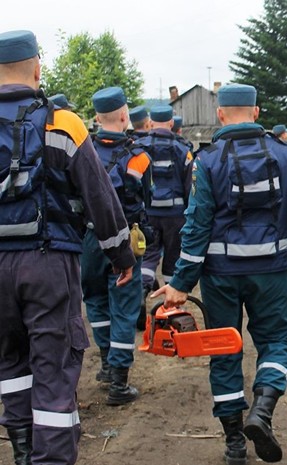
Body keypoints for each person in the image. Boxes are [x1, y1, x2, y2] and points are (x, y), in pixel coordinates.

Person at [151, 84, 287, 465]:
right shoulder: (285, 154)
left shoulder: (207, 160)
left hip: (219, 275)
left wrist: (181, 284)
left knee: (224, 350)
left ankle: (234, 443)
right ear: (256, 112)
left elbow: (196, 225)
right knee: (275, 343)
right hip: (269, 271)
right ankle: (262, 411)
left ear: (220, 115)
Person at [0, 30, 135, 465]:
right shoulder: (62, 122)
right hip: (48, 261)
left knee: (10, 364)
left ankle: (22, 453)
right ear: (37, 69)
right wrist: (121, 256)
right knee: (54, 368)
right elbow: (99, 197)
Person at [82, 86, 152, 406]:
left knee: (95, 300)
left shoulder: (82, 151)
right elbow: (143, 201)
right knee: (124, 306)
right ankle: (119, 384)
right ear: (125, 116)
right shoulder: (138, 157)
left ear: (97, 117)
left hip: (88, 238)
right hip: (124, 237)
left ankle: (107, 364)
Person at [137, 105, 193, 299]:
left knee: (148, 255)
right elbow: (189, 187)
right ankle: (173, 304)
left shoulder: (138, 147)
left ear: (150, 122)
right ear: (171, 123)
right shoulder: (183, 150)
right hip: (175, 216)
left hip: (148, 214)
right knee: (172, 257)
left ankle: (141, 292)